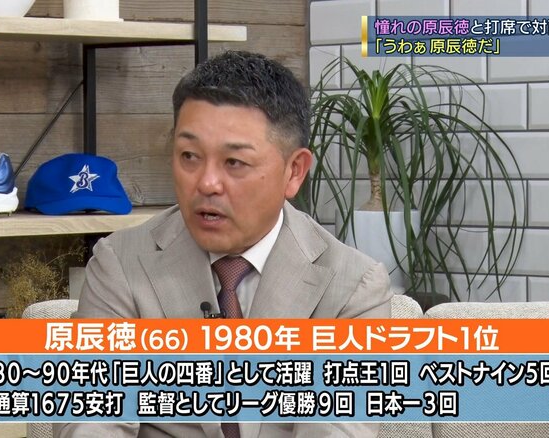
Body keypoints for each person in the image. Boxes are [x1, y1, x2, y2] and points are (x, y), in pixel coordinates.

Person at [54, 51, 392, 437]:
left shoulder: (353, 287)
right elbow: (90, 421)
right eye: (189, 156)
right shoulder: (120, 265)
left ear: (294, 171)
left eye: (234, 163)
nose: (206, 183)